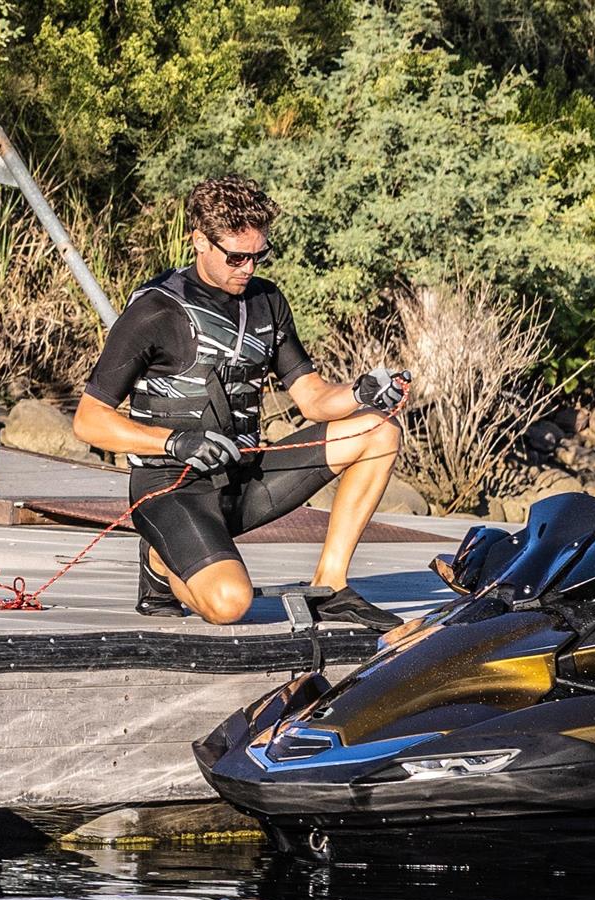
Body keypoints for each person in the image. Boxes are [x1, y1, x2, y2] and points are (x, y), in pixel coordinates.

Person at [73, 174, 407, 631]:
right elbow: (88, 421)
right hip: (172, 487)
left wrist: (359, 393)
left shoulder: (268, 302)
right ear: (199, 241)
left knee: (379, 430)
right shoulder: (155, 311)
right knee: (230, 605)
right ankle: (160, 560)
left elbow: (312, 398)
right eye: (236, 257)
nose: (248, 268)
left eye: (258, 255)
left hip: (244, 478)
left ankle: (331, 586)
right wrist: (176, 442)